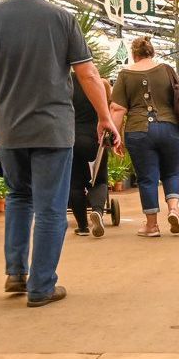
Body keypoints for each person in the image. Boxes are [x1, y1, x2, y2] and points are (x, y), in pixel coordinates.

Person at [0, 0, 119, 308]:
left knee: (19, 196)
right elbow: (88, 73)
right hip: (51, 128)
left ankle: (16, 273)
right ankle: (42, 286)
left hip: (8, 128)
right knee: (50, 207)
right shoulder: (62, 19)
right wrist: (104, 116)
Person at [110, 36, 179, 237]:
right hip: (170, 127)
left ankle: (152, 225)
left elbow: (117, 109)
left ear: (134, 54)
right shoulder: (167, 70)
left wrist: (114, 137)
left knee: (147, 178)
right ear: (151, 52)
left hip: (138, 131)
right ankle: (174, 209)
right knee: (172, 172)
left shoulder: (125, 74)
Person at [69, 72, 112, 237]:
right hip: (95, 137)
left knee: (74, 184)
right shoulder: (102, 83)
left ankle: (82, 226)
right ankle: (97, 211)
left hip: (69, 138)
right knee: (99, 180)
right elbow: (108, 109)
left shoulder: (64, 83)